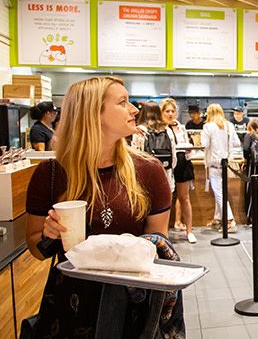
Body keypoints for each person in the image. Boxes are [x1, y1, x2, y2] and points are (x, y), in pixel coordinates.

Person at [24, 76, 172, 337]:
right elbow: (36, 248)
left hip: (133, 306)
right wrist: (48, 234)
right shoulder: (50, 175)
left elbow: (159, 242)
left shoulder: (149, 171)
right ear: (92, 113)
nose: (134, 109)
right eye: (122, 102)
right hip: (71, 306)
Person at [161, 98, 197, 244]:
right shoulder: (160, 128)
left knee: (185, 198)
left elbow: (188, 147)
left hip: (183, 163)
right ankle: (164, 233)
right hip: (167, 166)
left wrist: (189, 149)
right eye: (167, 111)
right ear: (162, 112)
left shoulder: (181, 127)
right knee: (166, 200)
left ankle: (189, 231)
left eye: (172, 111)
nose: (170, 114)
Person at [202, 103, 240, 232]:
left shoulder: (208, 127)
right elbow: (236, 142)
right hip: (226, 164)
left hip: (214, 165)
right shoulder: (229, 126)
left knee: (219, 193)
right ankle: (218, 218)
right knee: (221, 191)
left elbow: (204, 145)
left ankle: (230, 221)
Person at [132, 102, 177, 193]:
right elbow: (174, 159)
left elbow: (135, 156)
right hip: (166, 178)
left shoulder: (139, 130)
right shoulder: (167, 130)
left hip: (145, 179)